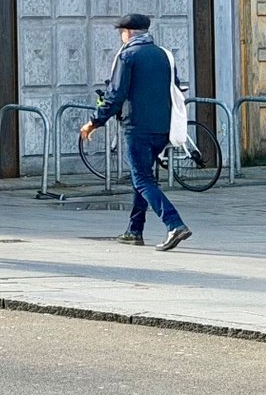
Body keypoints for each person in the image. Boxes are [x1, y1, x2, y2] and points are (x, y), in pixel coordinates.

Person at [79, 14, 191, 250]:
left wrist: (94, 122)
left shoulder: (127, 56)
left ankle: (174, 224)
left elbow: (116, 95)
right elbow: (177, 87)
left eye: (122, 32)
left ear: (128, 33)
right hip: (163, 127)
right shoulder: (164, 55)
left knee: (141, 179)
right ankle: (134, 230)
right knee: (144, 179)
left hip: (137, 127)